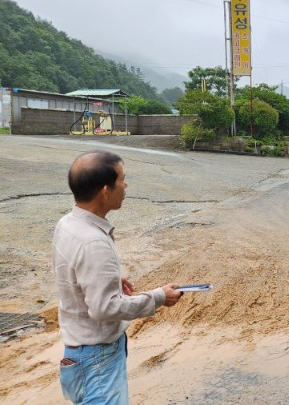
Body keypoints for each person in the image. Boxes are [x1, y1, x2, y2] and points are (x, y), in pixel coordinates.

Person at [53, 150, 183, 404]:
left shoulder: (68, 224)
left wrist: (108, 278)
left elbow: (72, 271)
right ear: (105, 191)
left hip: (78, 353)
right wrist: (158, 297)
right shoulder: (92, 242)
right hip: (97, 358)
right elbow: (105, 308)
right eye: (122, 179)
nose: (125, 186)